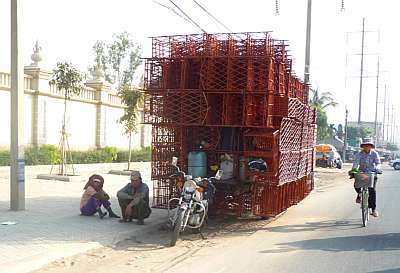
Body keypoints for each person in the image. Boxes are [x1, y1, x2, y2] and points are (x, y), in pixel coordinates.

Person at [351, 138, 382, 217]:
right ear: (363, 146)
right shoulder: (359, 154)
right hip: (362, 173)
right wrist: (354, 170)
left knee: (372, 190)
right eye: (365, 145)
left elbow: (378, 163)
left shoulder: (374, 154)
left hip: (372, 173)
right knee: (356, 185)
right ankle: (360, 194)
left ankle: (373, 210)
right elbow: (356, 163)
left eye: (368, 145)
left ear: (371, 146)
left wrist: (378, 168)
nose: (367, 147)